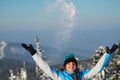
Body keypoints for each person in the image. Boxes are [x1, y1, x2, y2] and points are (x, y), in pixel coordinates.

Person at [21, 40, 118, 80]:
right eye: (69, 64)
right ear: (64, 66)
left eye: (73, 63)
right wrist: (34, 54)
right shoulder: (58, 76)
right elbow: (44, 67)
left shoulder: (82, 76)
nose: (71, 65)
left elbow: (97, 69)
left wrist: (108, 54)